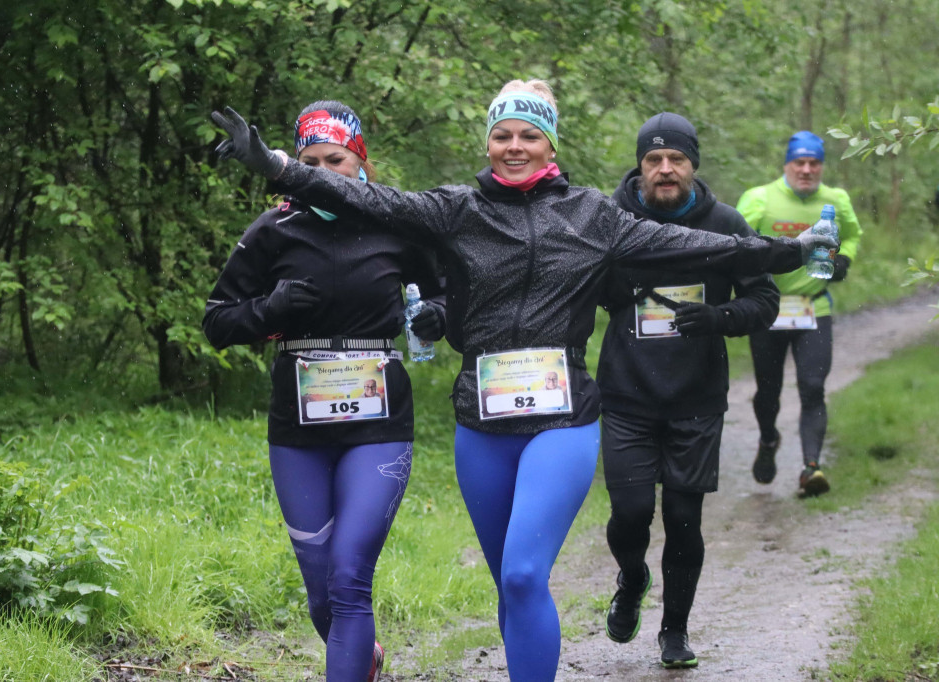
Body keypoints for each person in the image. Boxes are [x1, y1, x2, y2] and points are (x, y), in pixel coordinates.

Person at [210, 80, 835, 682]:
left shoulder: (593, 215)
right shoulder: (456, 209)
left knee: (522, 576)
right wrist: (274, 165)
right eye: (502, 135)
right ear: (488, 143)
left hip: (561, 422)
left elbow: (696, 245)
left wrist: (788, 252)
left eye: (528, 136)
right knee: (504, 581)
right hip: (481, 427)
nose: (514, 146)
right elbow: (371, 199)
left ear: (550, 145)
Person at [202, 100, 446, 682]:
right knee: (322, 598)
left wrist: (437, 313)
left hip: (379, 426)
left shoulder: (397, 223)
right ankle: (367, 661)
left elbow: (448, 293)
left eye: (334, 160)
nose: (321, 172)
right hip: (299, 431)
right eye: (308, 161)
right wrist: (272, 310)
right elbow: (217, 322)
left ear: (360, 161)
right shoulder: (273, 230)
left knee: (348, 578)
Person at [596, 113, 780, 668]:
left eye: (676, 158)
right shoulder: (608, 219)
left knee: (683, 517)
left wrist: (721, 317)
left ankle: (674, 633)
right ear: (640, 167)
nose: (665, 169)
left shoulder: (726, 223)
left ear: (693, 164)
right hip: (626, 394)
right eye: (653, 160)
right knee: (629, 513)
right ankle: (632, 578)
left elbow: (765, 300)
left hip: (695, 399)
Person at [737, 131, 862, 496]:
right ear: (787, 165)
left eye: (814, 163)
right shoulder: (760, 198)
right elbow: (736, 240)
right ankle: (767, 438)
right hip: (768, 309)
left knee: (812, 386)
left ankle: (811, 469)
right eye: (800, 163)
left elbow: (853, 233)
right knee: (768, 390)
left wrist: (846, 258)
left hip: (814, 309)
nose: (807, 170)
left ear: (822, 167)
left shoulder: (835, 200)